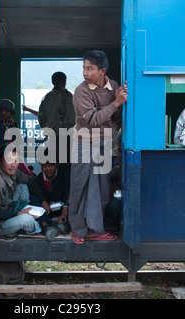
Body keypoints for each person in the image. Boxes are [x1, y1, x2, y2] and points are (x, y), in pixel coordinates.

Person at [68, 50, 127, 244]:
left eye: (89, 69)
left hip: (105, 143)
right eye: (84, 68)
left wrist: (117, 104)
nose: (85, 73)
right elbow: (92, 119)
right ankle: (77, 229)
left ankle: (94, 228)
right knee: (80, 186)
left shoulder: (114, 87)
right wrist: (115, 104)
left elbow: (116, 118)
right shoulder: (81, 91)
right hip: (83, 143)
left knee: (100, 188)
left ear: (102, 71)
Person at [0, 143, 42, 238]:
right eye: (9, 160)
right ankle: (40, 227)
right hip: (2, 223)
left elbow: (31, 182)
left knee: (23, 187)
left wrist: (44, 201)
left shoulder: (15, 173)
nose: (13, 164)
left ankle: (27, 223)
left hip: (12, 211)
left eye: (16, 160)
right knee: (26, 219)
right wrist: (18, 214)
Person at [29, 161, 71, 241]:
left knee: (73, 196)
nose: (48, 169)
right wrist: (44, 201)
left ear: (57, 164)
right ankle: (45, 226)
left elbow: (68, 190)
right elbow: (35, 192)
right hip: (47, 212)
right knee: (33, 197)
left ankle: (64, 223)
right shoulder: (39, 180)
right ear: (41, 166)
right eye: (44, 166)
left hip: (63, 210)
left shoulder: (64, 174)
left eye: (51, 166)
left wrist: (65, 205)